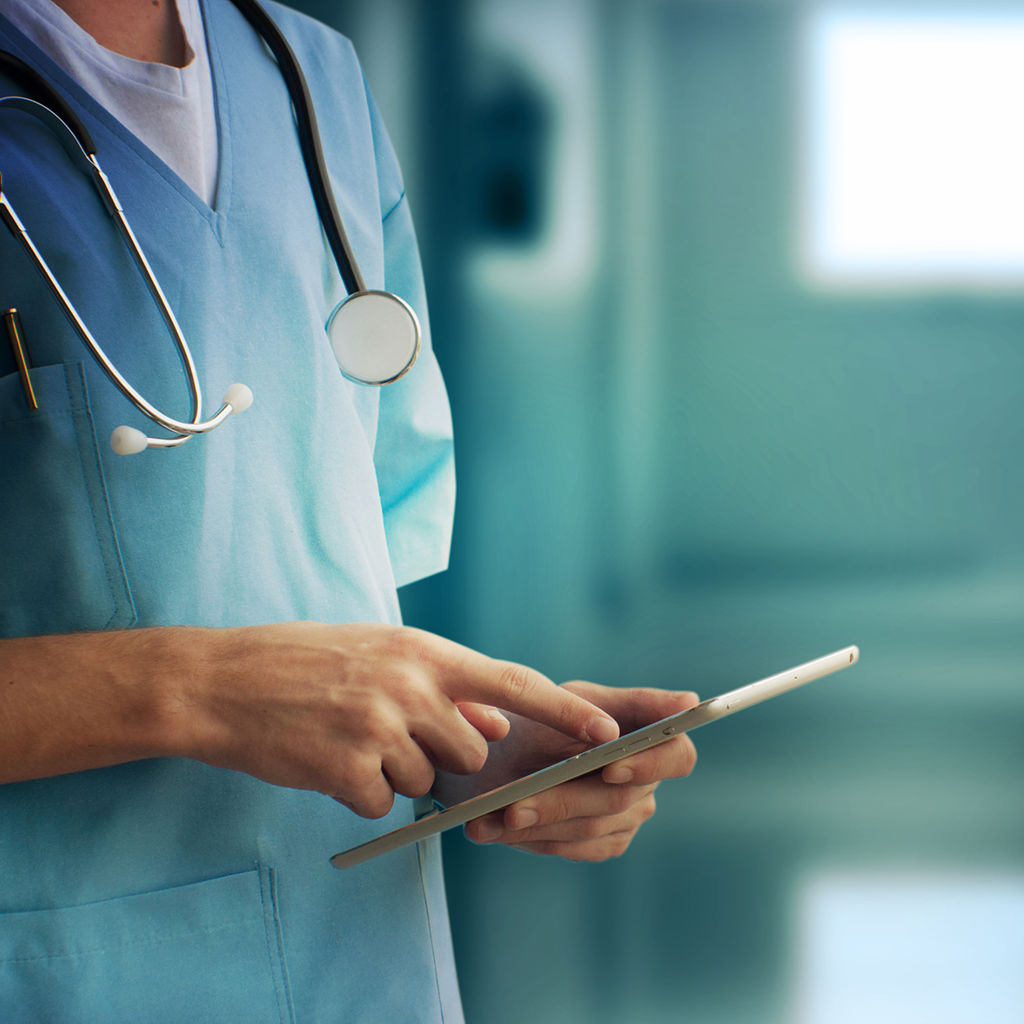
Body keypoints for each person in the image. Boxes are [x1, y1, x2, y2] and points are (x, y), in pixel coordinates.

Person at [0, 1, 698, 1020]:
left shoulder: (309, 74)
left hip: (364, 957)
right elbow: (245, 669)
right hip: (68, 969)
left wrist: (474, 745)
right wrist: (200, 689)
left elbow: (319, 561)